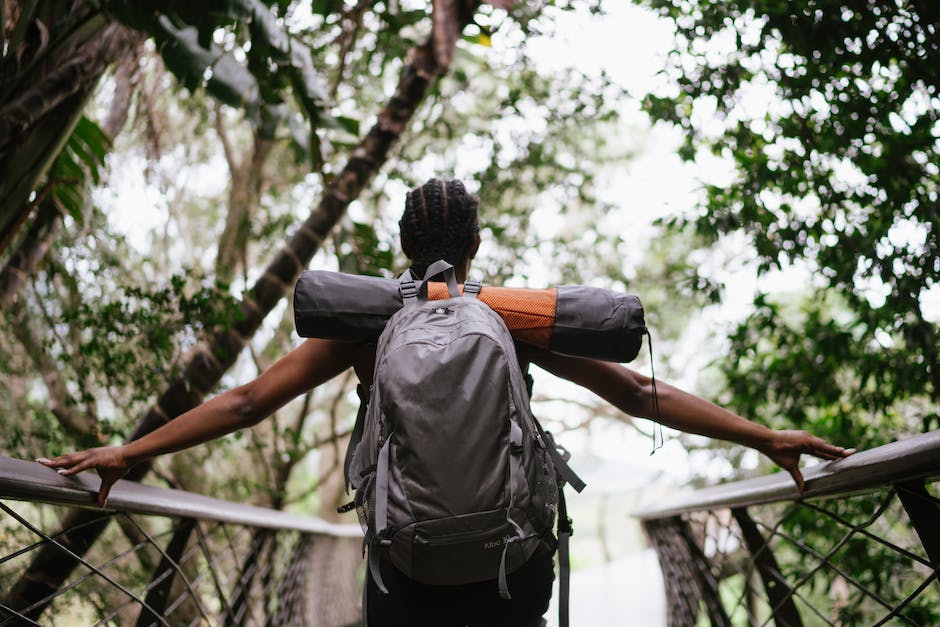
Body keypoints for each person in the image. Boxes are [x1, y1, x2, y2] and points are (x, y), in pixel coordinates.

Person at [39, 178, 853, 626]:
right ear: (473, 245)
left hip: (406, 564)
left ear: (402, 245)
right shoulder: (513, 319)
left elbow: (248, 402)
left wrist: (130, 452)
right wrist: (762, 436)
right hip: (514, 560)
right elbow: (642, 393)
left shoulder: (367, 324)